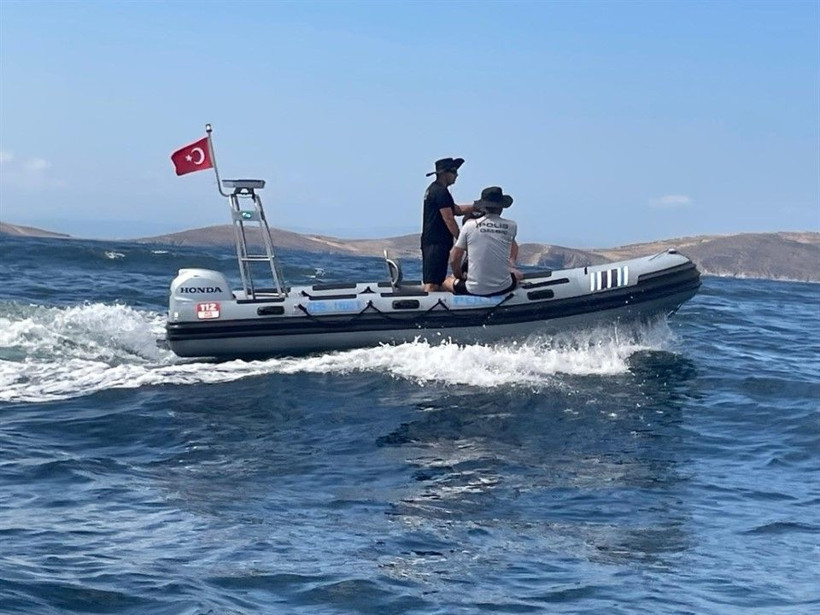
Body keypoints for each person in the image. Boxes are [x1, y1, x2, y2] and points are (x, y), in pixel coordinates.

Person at [441, 186, 523, 296]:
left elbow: (454, 257)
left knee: (446, 281)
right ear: (501, 207)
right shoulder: (512, 226)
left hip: (474, 289)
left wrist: (458, 275)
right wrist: (511, 265)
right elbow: (513, 246)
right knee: (518, 275)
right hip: (504, 287)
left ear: (483, 207)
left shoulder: (469, 225)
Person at [421, 157, 475, 291]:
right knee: (432, 281)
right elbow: (449, 218)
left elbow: (455, 209)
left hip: (437, 242)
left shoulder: (437, 190)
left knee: (438, 278)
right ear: (445, 173)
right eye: (454, 171)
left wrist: (476, 206)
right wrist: (461, 240)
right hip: (436, 242)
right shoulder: (440, 191)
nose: (457, 175)